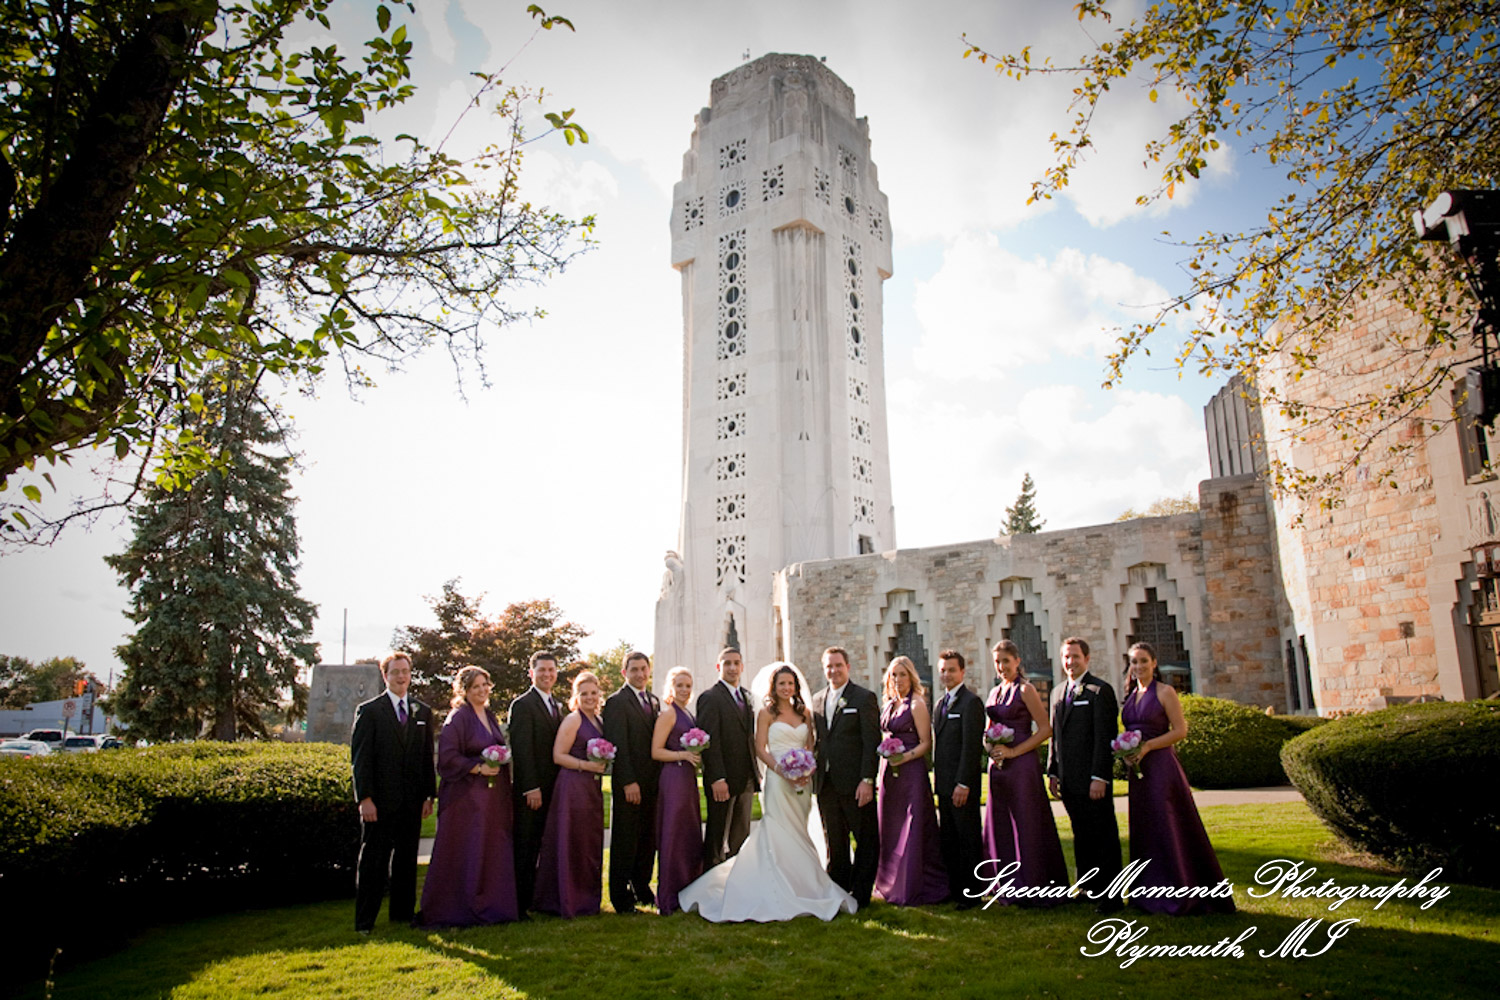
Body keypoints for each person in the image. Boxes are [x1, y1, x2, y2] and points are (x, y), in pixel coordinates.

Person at [678, 662, 857, 921]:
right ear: (774, 687)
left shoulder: (805, 712)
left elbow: (810, 745)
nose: (786, 688)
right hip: (777, 780)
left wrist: (805, 770)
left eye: (790, 684)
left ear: (796, 687)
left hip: (802, 783)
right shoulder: (766, 713)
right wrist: (782, 770)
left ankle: (801, 882)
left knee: (799, 830)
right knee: (777, 829)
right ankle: (774, 883)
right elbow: (759, 747)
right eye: (782, 684)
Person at [1120, 641, 1236, 915]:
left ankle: (1182, 889)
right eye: (1134, 662)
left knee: (1168, 825)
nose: (1138, 666)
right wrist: (1126, 751)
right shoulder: (1131, 694)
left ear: (1154, 663)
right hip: (1138, 772)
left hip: (1161, 768)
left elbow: (1180, 731)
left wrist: (1148, 746)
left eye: (1143, 661)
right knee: (1146, 828)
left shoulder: (1165, 691)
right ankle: (1147, 891)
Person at [419, 666, 518, 926]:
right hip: (465, 799)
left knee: (490, 848)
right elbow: (448, 758)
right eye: (476, 686)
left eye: (485, 684)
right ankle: (460, 907)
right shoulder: (458, 718)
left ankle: (491, 903)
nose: (482, 690)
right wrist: (477, 768)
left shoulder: (489, 714)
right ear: (464, 690)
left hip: (491, 798)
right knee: (467, 849)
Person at [350, 651, 435, 934]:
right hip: (380, 803)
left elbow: (426, 758)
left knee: (406, 862)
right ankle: (365, 921)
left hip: (411, 803)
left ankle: (401, 915)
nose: (401, 676)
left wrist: (428, 795)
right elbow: (361, 759)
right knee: (374, 862)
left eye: (405, 671)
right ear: (385, 675)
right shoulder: (370, 711)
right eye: (395, 671)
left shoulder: (422, 712)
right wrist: (365, 798)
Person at [983, 640, 1069, 907]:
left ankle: (1034, 883)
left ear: (1017, 661)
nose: (1001, 667)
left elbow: (1045, 729)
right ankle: (1007, 884)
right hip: (999, 768)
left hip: (1022, 766)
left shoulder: (1026, 689)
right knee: (1002, 825)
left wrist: (1013, 752)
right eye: (997, 662)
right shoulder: (994, 693)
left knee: (1026, 822)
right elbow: (987, 731)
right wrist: (991, 748)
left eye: (1006, 661)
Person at [1046, 636, 1124, 913]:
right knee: (1081, 835)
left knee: (1103, 835)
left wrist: (1100, 777)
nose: (1070, 662)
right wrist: (1053, 771)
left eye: (1075, 657)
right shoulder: (1057, 692)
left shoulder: (1099, 692)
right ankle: (1089, 887)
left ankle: (1111, 896)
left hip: (1093, 780)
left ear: (1087, 659)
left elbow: (1105, 738)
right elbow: (1055, 737)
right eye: (1066, 657)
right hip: (1068, 779)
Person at [873, 655, 948, 905]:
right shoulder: (890, 704)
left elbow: (926, 743)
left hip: (911, 774)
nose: (897, 679)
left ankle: (914, 883)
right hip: (889, 775)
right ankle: (889, 881)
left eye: (902, 674)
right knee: (891, 826)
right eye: (893, 675)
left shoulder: (916, 704)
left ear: (911, 677)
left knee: (912, 826)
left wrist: (903, 757)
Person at [533, 669, 608, 918]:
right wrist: (586, 766)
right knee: (572, 840)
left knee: (588, 842)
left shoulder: (599, 721)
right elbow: (558, 755)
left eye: (593, 693)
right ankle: (566, 899)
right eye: (584, 693)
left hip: (591, 787)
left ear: (599, 695)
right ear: (576, 696)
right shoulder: (573, 720)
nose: (589, 697)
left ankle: (587, 897)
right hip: (572, 786)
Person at [602, 649, 662, 913]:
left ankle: (641, 886)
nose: (639, 674)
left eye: (643, 669)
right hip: (630, 783)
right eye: (634, 669)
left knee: (647, 838)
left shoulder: (654, 701)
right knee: (625, 839)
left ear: (649, 671)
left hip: (653, 782)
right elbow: (619, 745)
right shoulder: (616, 702)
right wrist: (628, 781)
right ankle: (619, 895)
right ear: (624, 672)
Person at [508, 650, 563, 914]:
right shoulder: (522, 705)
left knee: (546, 843)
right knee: (526, 846)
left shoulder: (557, 705)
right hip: (533, 789)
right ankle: (519, 903)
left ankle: (540, 899)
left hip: (555, 787)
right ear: (531, 673)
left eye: (551, 670)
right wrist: (531, 787)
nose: (547, 675)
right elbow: (522, 750)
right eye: (541, 670)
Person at [931, 649, 985, 909]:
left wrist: (964, 783)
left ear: (962, 671)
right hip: (943, 785)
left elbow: (971, 748)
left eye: (951, 669)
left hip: (963, 785)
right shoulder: (939, 704)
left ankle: (972, 892)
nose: (947, 674)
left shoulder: (971, 703)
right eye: (943, 670)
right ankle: (955, 889)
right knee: (949, 840)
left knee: (968, 839)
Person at [696, 646, 759, 868]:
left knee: (740, 835)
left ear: (742, 666)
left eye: (736, 663)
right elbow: (710, 743)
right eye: (727, 663)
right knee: (717, 835)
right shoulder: (710, 698)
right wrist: (717, 778)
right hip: (723, 780)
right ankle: (710, 882)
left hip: (746, 778)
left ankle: (735, 879)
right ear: (718, 667)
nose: (732, 668)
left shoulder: (747, 697)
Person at [652, 666, 705, 915]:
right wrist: (682, 755)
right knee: (673, 833)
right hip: (673, 778)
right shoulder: (668, 714)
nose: (684, 690)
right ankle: (669, 895)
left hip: (687, 778)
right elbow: (656, 751)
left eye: (687, 686)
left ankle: (687, 887)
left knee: (687, 832)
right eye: (679, 685)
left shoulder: (688, 714)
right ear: (670, 688)